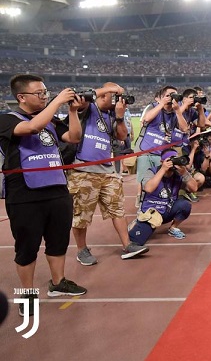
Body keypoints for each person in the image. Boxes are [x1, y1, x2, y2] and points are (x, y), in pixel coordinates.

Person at [0, 74, 88, 315]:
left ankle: (58, 283)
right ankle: (26, 296)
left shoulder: (50, 120)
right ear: (21, 97)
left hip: (57, 189)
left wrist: (71, 112)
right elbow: (32, 127)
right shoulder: (7, 119)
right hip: (24, 193)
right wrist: (58, 101)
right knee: (27, 247)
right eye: (39, 93)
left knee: (58, 240)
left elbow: (74, 138)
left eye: (46, 92)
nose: (44, 96)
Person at [69, 82, 148, 266]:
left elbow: (121, 136)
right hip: (84, 169)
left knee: (117, 208)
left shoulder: (113, 114)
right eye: (113, 96)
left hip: (107, 169)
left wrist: (120, 117)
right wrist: (109, 89)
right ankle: (82, 250)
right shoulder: (88, 106)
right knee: (81, 214)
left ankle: (127, 244)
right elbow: (77, 97)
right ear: (103, 95)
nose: (116, 100)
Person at [128, 148, 197, 245]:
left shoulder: (178, 174)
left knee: (185, 205)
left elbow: (194, 188)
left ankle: (173, 228)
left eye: (175, 159)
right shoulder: (152, 171)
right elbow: (148, 188)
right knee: (136, 239)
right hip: (151, 211)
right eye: (170, 159)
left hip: (167, 209)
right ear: (162, 161)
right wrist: (163, 169)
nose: (172, 162)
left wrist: (185, 173)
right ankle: (138, 222)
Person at [135, 85, 189, 193]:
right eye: (168, 95)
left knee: (159, 180)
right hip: (146, 150)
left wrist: (178, 111)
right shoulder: (153, 106)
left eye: (174, 95)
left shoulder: (175, 113)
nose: (171, 98)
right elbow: (146, 118)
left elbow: (184, 129)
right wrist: (161, 104)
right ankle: (141, 202)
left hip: (161, 153)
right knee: (143, 180)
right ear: (162, 96)